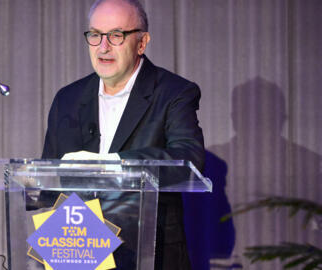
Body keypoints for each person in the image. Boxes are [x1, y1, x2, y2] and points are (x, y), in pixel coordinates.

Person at [42, 0, 205, 269]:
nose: (103, 47)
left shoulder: (174, 92)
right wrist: (29, 188)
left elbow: (189, 160)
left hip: (149, 253)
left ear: (141, 43)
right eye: (95, 35)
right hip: (79, 250)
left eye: (116, 36)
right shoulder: (68, 98)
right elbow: (49, 176)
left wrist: (112, 164)